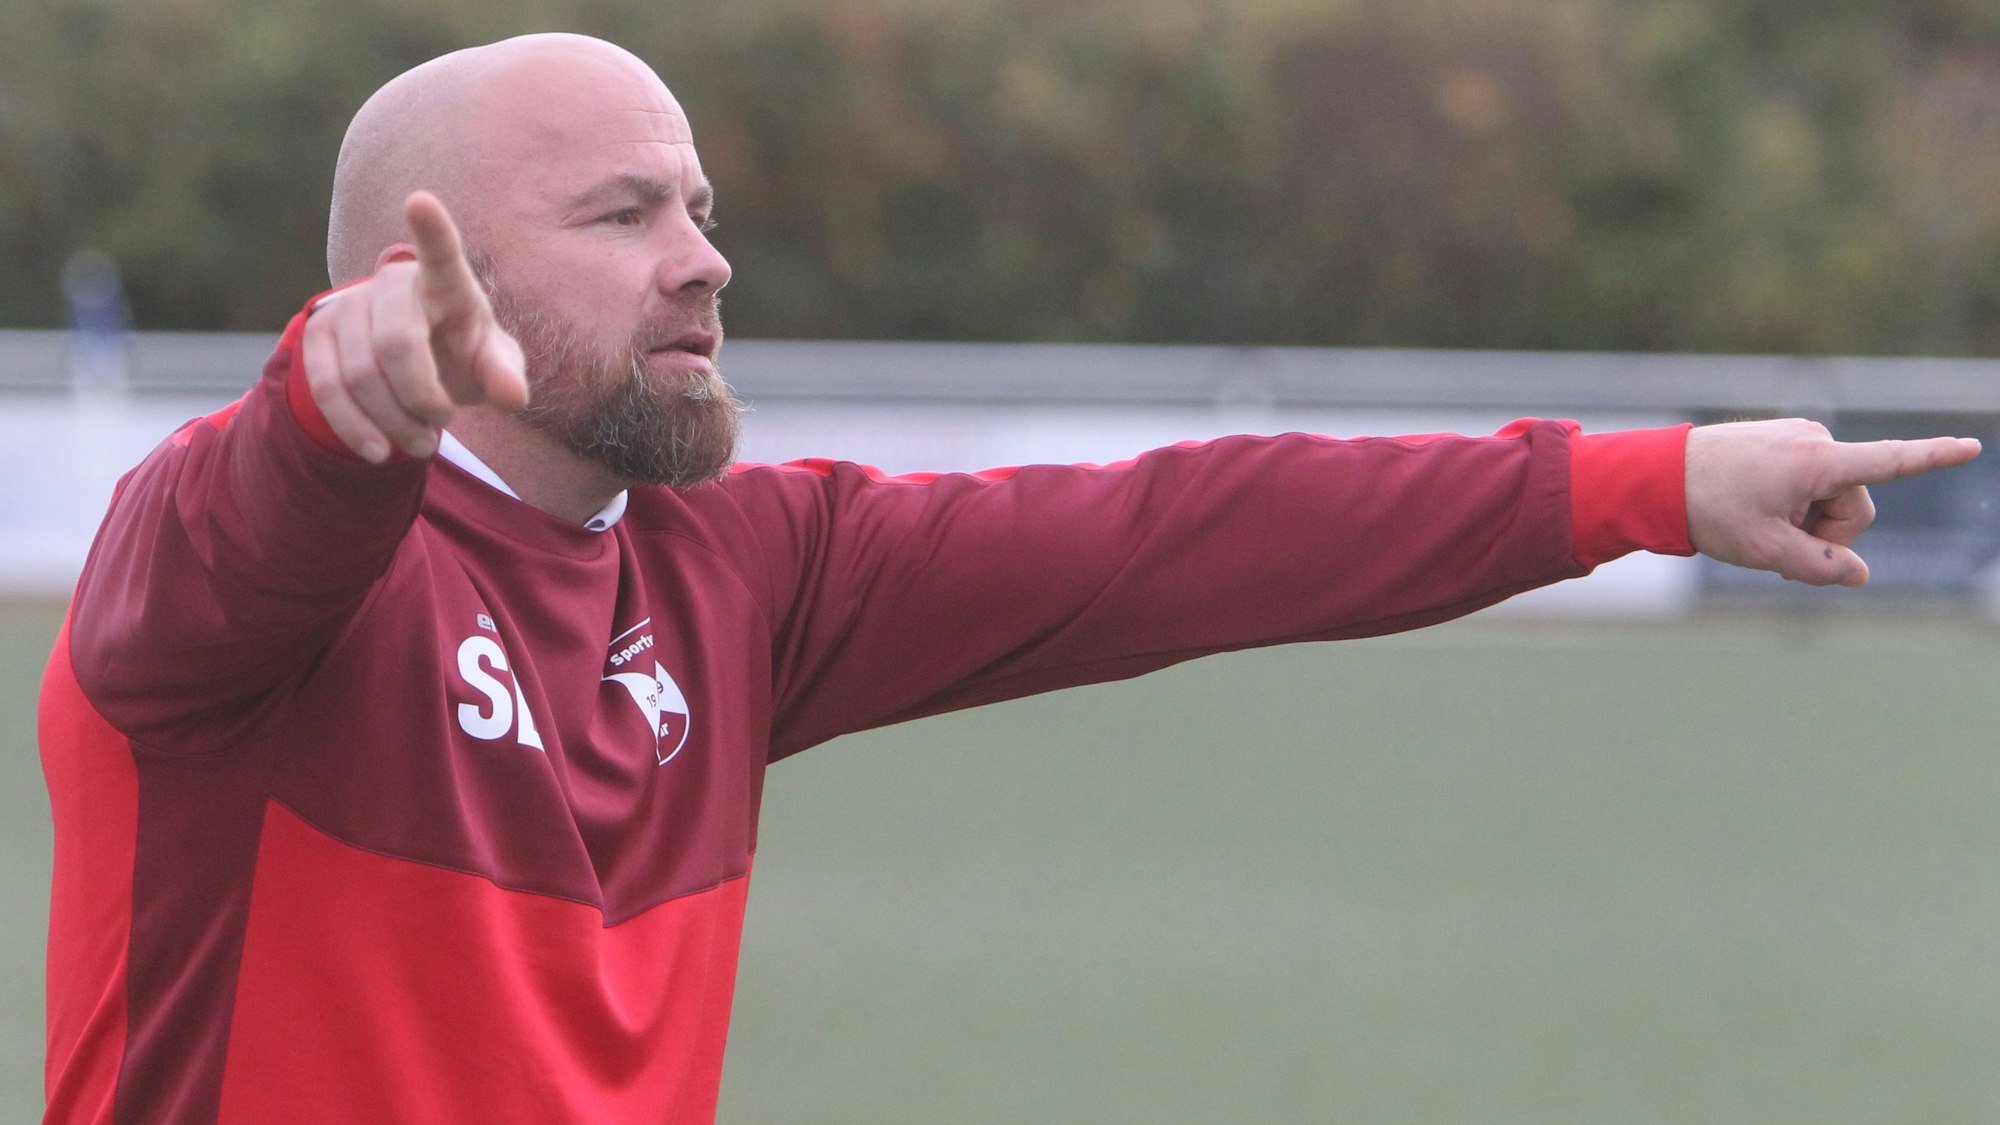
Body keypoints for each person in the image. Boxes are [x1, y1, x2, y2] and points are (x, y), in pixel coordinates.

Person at [37, 31, 1979, 1125]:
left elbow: (1179, 533)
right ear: (408, 275)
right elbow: (216, 555)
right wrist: (323, 401)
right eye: (623, 214)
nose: (704, 257)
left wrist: (1648, 478)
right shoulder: (237, 595)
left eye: (701, 205)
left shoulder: (743, 562)